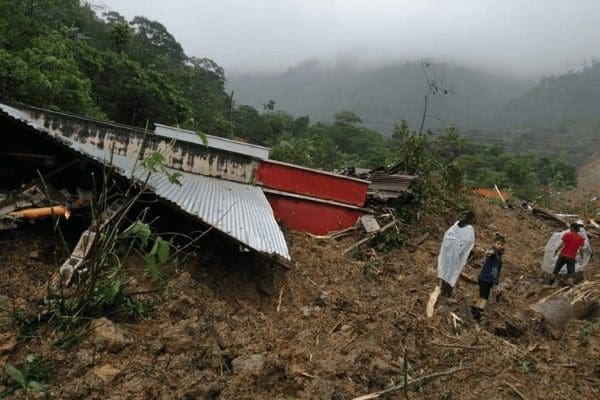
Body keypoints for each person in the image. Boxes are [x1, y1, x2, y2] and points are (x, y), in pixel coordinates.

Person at [437, 211, 476, 298]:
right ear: (472, 219)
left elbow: (448, 235)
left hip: (448, 250)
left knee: (445, 269)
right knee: (453, 272)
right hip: (457, 253)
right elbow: (468, 241)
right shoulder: (470, 228)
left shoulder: (457, 223)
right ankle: (448, 294)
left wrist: (451, 245)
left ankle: (443, 290)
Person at [471, 234, 505, 321]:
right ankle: (477, 317)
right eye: (498, 243)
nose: (500, 246)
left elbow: (497, 270)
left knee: (481, 297)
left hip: (487, 279)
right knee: (485, 299)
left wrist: (496, 281)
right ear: (494, 243)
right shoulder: (493, 252)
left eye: (501, 244)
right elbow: (489, 253)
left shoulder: (498, 256)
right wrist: (490, 252)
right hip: (485, 279)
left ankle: (474, 312)